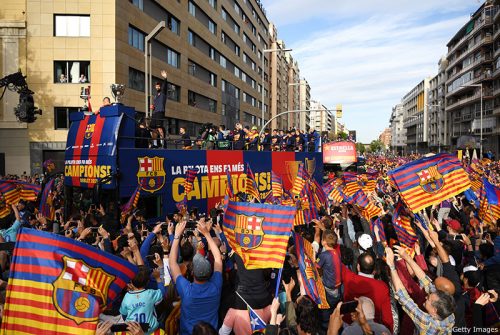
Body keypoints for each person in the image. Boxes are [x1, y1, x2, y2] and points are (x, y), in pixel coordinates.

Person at [169, 219, 223, 335]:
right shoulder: (216, 286)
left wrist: (176, 235)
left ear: (192, 273)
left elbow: (172, 263)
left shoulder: (186, 290)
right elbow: (218, 259)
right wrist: (206, 234)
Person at [385, 247, 456, 335]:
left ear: (434, 310)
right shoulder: (449, 315)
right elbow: (426, 281)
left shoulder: (427, 323)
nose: (426, 296)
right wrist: (406, 256)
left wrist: (392, 266)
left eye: (428, 299)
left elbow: (403, 298)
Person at [119, 266, 165, 335]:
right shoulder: (150, 293)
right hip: (150, 329)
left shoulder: (127, 296)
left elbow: (124, 314)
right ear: (147, 282)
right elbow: (163, 292)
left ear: (131, 281)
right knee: (162, 320)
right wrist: (158, 278)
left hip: (132, 330)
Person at [150, 70, 168, 148]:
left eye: (158, 86)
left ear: (160, 86)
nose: (157, 87)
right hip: (155, 112)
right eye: (156, 86)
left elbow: (165, 86)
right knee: (153, 128)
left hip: (160, 112)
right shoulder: (156, 95)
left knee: (159, 127)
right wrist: (153, 107)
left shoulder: (163, 93)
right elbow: (155, 104)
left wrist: (165, 78)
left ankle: (162, 143)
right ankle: (155, 143)